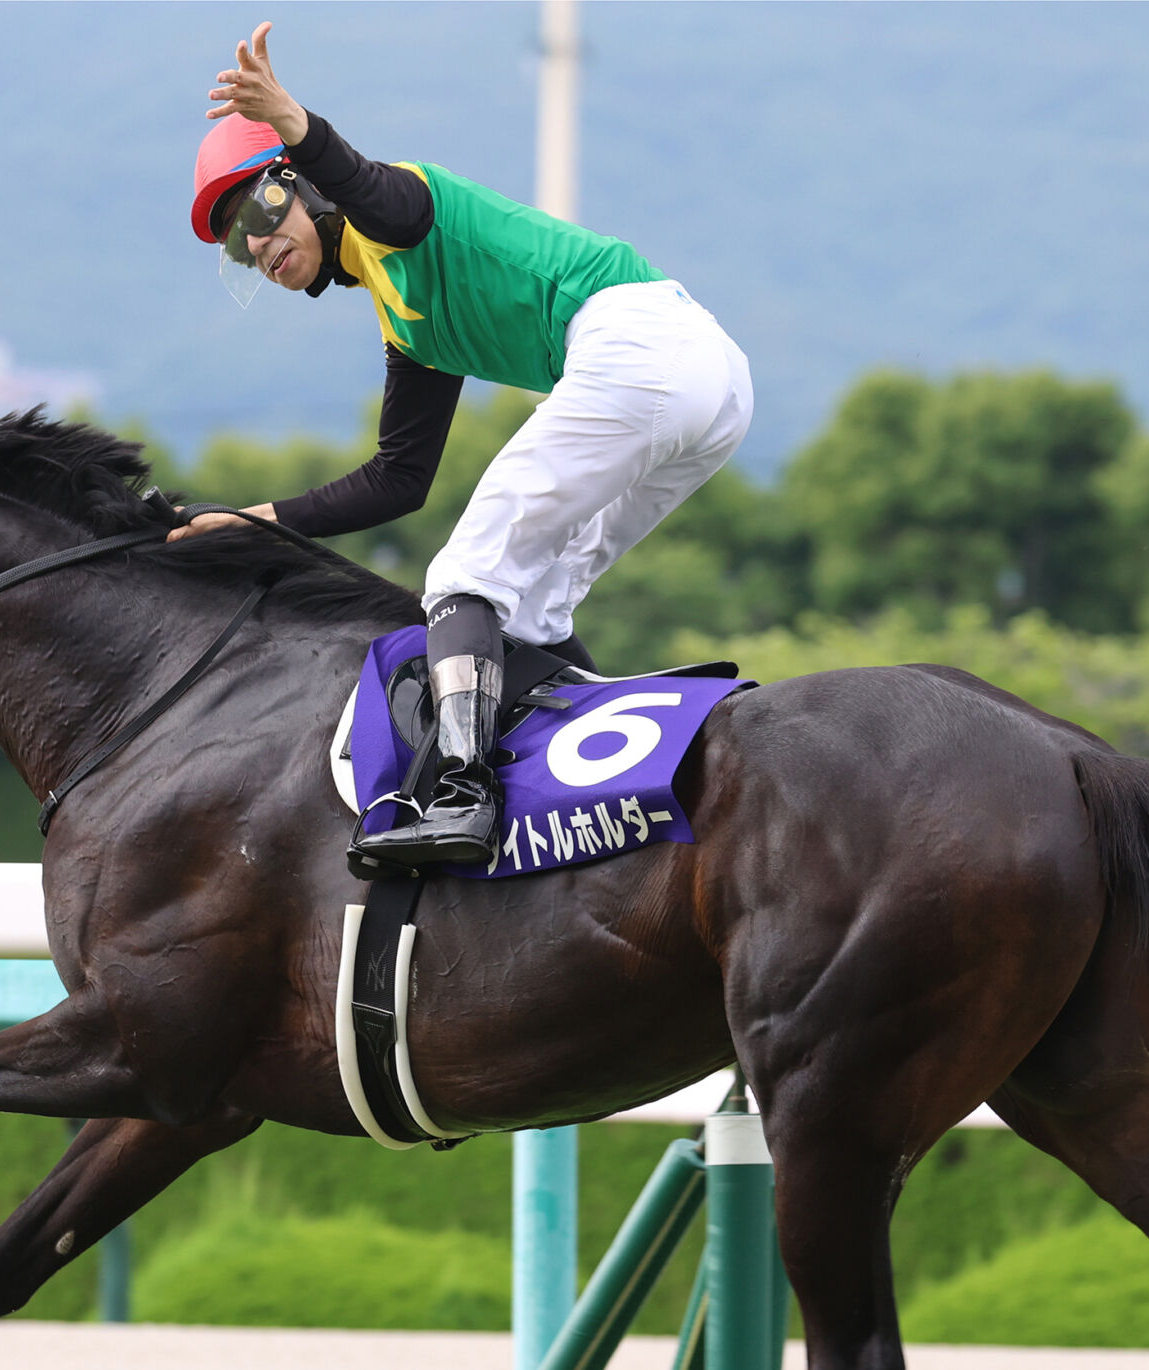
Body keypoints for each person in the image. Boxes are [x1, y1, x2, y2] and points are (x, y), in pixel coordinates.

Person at [179, 21, 753, 874]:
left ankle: (462, 795)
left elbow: (375, 190)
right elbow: (398, 480)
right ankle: (599, 795)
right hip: (707, 382)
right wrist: (255, 518)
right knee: (534, 603)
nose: (258, 245)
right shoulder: (405, 315)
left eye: (261, 210)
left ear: (304, 183)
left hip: (640, 350)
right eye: (237, 240)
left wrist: (294, 120)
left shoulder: (394, 211)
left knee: (463, 578)